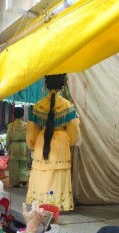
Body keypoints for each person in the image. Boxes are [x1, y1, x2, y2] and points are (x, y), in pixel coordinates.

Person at [26, 74, 80, 211]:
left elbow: (31, 132)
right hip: (61, 143)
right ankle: (57, 205)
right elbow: (74, 132)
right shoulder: (68, 106)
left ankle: (40, 203)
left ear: (45, 84)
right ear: (63, 85)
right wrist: (69, 142)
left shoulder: (38, 106)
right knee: (57, 174)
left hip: (42, 141)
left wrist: (32, 144)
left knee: (42, 173)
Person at [6, 106, 30, 187]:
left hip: (14, 146)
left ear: (13, 115)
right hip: (23, 146)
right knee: (23, 164)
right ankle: (23, 180)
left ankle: (15, 182)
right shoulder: (26, 125)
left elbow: (8, 138)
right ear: (22, 115)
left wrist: (7, 146)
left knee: (14, 165)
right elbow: (29, 137)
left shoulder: (10, 126)